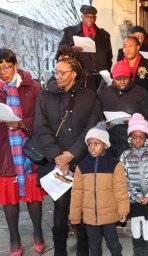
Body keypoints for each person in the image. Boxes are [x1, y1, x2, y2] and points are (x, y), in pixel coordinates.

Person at [34, 56, 103, 256]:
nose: (57, 76)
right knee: (61, 205)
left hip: (82, 159)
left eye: (62, 72)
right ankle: (60, 251)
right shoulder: (45, 95)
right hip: (57, 163)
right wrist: (58, 157)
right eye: (56, 72)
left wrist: (71, 154)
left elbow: (92, 128)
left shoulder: (89, 96)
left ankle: (83, 250)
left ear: (74, 74)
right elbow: (41, 128)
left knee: (81, 206)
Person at [0, 49, 46, 256]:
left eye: (7, 66)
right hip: (5, 152)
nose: (3, 71)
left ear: (15, 66)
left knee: (33, 196)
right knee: (9, 197)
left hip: (29, 150)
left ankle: (37, 232)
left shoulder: (32, 87)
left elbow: (43, 118)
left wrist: (23, 124)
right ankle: (14, 237)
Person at [70, 122, 129, 256]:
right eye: (89, 144)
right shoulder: (82, 166)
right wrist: (74, 215)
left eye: (96, 144)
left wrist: (123, 210)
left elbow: (120, 189)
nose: (92, 148)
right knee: (94, 246)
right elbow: (77, 193)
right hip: (90, 218)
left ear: (105, 145)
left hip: (108, 215)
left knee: (113, 244)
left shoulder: (114, 164)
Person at [120, 113, 148, 256]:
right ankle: (137, 248)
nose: (137, 140)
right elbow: (124, 179)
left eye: (141, 137)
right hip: (133, 198)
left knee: (147, 221)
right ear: (129, 137)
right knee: (136, 220)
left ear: (146, 139)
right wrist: (137, 196)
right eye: (134, 137)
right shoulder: (125, 156)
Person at [99, 61, 148, 157]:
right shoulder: (105, 93)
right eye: (118, 79)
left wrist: (134, 122)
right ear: (113, 78)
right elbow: (98, 114)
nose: (122, 81)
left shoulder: (140, 92)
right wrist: (104, 123)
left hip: (133, 141)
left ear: (130, 77)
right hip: (111, 141)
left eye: (125, 78)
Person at [57, 5, 112, 87]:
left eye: (92, 17)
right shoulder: (70, 33)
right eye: (87, 16)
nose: (90, 19)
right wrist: (71, 50)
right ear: (82, 17)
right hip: (79, 79)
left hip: (100, 80)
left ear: (95, 18)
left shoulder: (104, 35)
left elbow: (109, 58)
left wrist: (106, 75)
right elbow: (59, 54)